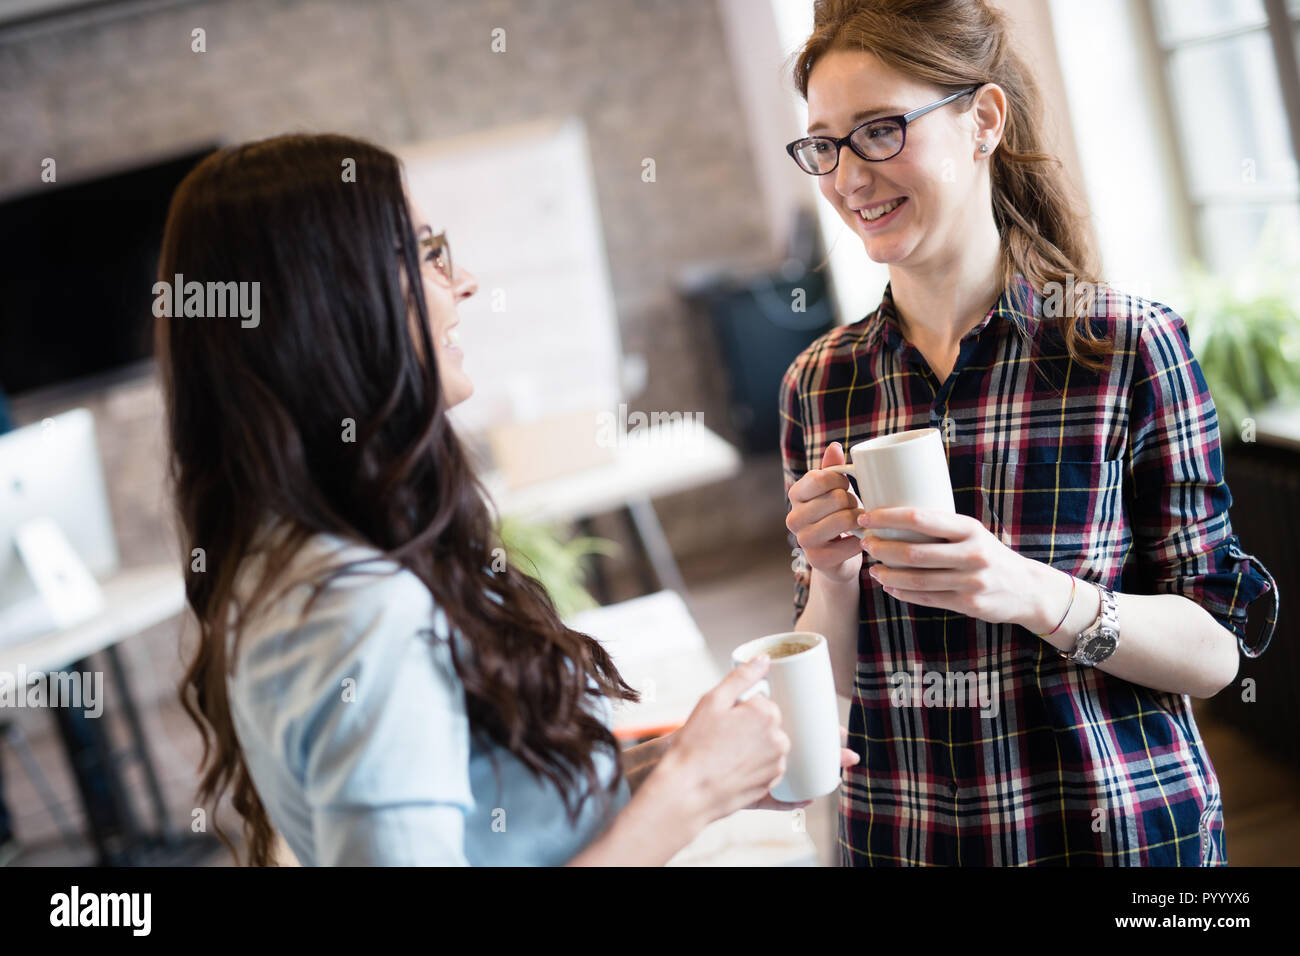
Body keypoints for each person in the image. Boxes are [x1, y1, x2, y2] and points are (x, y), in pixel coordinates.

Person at [157, 133, 859, 866]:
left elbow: (504, 823)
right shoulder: (356, 611)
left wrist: (680, 765)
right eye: (428, 253)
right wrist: (691, 791)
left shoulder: (321, 560)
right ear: (337, 303)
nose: (465, 280)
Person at [780, 0, 1278, 866]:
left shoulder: (1124, 347)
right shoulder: (820, 383)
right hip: (907, 840)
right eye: (825, 143)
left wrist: (1031, 593)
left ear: (982, 120)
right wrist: (831, 576)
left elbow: (1216, 652)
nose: (848, 177)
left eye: (880, 130)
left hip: (1118, 840)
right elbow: (825, 680)